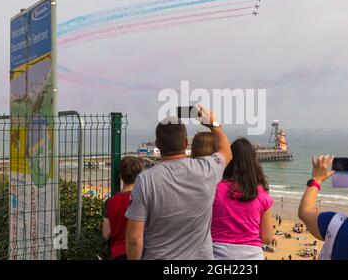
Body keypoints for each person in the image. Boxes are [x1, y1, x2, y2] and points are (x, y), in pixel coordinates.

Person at [125, 105, 232, 260]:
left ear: (157, 145)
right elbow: (226, 151)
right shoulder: (206, 169)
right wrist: (213, 124)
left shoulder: (145, 180)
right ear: (185, 143)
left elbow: (134, 239)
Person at [211, 138, 274, 260]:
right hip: (252, 255)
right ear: (253, 162)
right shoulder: (261, 194)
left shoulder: (215, 188)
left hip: (217, 253)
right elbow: (267, 238)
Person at [102, 156, 143, 260]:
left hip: (117, 253)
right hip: (140, 251)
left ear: (120, 176)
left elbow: (106, 234)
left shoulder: (110, 202)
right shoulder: (143, 199)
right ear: (140, 176)